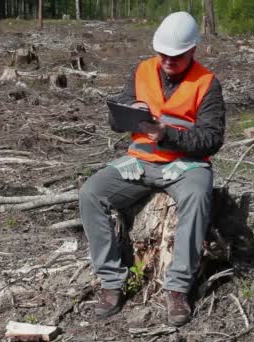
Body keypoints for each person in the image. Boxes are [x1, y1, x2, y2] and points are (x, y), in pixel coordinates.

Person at [78, 11, 225, 327]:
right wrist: (129, 110)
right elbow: (116, 119)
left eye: (177, 56)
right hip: (140, 161)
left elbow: (212, 139)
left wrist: (168, 135)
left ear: (192, 51)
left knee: (198, 198)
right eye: (163, 54)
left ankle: (177, 288)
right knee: (91, 193)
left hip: (187, 165)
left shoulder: (207, 83)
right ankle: (111, 281)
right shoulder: (141, 70)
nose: (168, 61)